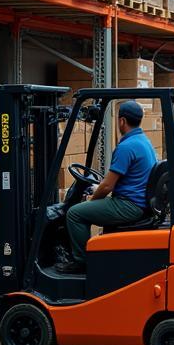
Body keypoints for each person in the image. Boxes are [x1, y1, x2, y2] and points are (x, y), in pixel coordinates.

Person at [56, 100, 156, 274]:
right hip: (137, 202)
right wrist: (98, 189)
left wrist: (93, 199)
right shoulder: (144, 141)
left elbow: (107, 186)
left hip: (129, 205)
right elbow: (111, 182)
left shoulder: (126, 147)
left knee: (75, 213)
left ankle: (80, 262)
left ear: (122, 121)